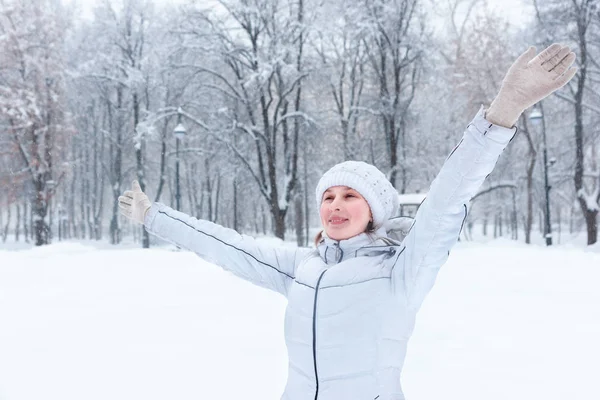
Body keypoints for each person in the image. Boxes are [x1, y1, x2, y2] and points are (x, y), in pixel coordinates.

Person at [118, 44, 577, 400]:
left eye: (349, 196)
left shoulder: (401, 270)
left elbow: (447, 199)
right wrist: (155, 215)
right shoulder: (302, 268)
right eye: (328, 196)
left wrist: (503, 112)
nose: (334, 205)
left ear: (374, 210)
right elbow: (228, 246)